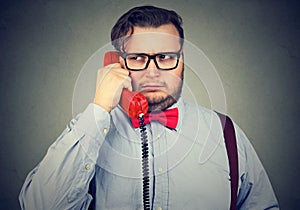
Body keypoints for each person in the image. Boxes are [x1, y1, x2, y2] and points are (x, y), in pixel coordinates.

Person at [19, 5, 279, 210]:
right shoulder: (88, 130)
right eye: (138, 58)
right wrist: (100, 108)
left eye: (166, 57)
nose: (153, 72)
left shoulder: (226, 134)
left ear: (182, 61)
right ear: (117, 64)